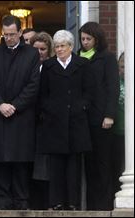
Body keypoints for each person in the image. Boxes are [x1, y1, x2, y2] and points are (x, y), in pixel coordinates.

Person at [0, 15, 41, 210]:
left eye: (12, 35)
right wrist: (0, 104)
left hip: (21, 116)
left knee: (21, 161)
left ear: (21, 32)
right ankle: (2, 201)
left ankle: (21, 201)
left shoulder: (31, 54)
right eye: (5, 35)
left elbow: (33, 85)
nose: (9, 38)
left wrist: (15, 105)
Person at [36, 30, 95, 210]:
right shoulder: (49, 66)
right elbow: (42, 94)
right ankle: (56, 202)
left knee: (73, 166)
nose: (59, 49)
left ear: (70, 47)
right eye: (57, 46)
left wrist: (81, 107)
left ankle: (73, 203)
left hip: (76, 122)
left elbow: (89, 92)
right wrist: (49, 109)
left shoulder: (82, 64)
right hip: (54, 123)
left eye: (62, 46)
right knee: (56, 166)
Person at [78, 21, 120, 211]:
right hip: (83, 120)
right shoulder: (77, 56)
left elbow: (112, 88)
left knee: (103, 165)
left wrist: (109, 114)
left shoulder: (107, 58)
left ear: (97, 39)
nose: (85, 42)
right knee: (89, 165)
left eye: (88, 39)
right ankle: (91, 208)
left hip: (102, 119)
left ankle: (104, 207)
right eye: (82, 39)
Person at [29, 31, 54, 210]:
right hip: (27, 122)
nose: (39, 53)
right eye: (35, 49)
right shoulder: (26, 67)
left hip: (46, 123)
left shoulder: (52, 68)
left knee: (44, 167)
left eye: (43, 49)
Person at [111, 52, 125, 197]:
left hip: (130, 134)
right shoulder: (114, 83)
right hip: (116, 133)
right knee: (116, 168)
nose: (124, 70)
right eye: (122, 67)